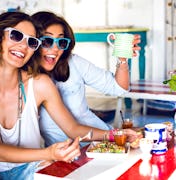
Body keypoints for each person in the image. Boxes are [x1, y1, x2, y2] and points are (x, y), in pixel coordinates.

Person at [0, 11, 138, 180]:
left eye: (31, 42)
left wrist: (115, 135)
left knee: (49, 166)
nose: (24, 46)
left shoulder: (41, 84)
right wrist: (49, 152)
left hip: (30, 168)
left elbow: (73, 128)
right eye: (16, 36)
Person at [31, 11, 141, 147]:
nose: (55, 49)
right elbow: (72, 129)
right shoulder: (28, 81)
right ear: (33, 42)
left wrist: (122, 59)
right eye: (47, 41)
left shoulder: (73, 63)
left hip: (103, 142)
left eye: (61, 42)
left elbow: (119, 88)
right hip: (68, 155)